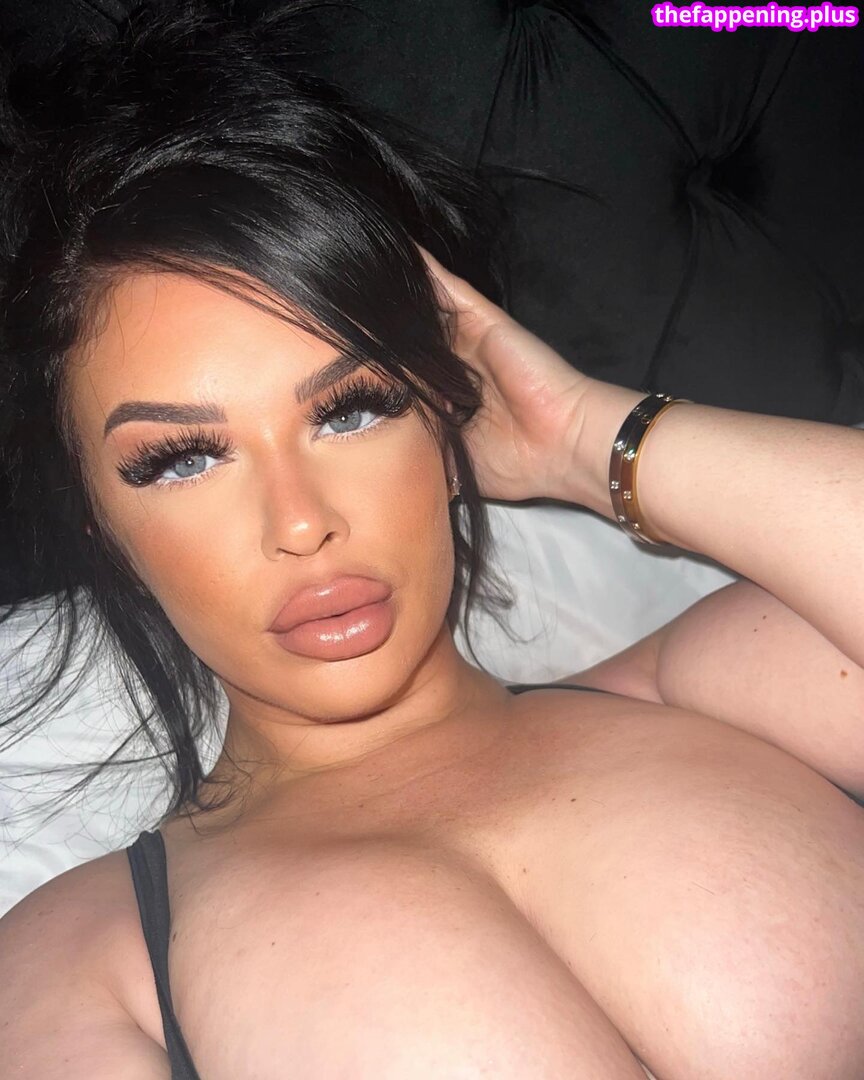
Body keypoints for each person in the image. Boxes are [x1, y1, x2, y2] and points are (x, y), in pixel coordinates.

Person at [1, 4, 863, 1078]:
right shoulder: (73, 965)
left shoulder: (715, 687)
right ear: (101, 521)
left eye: (352, 409)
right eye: (182, 459)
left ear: (442, 419)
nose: (302, 520)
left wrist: (585, 439)